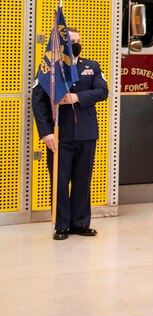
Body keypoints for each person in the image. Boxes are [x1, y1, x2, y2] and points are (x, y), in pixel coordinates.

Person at [31, 28, 108, 240]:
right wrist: (46, 133)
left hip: (86, 133)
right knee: (60, 180)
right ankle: (62, 225)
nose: (76, 44)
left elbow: (103, 91)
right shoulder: (49, 69)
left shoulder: (91, 67)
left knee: (83, 180)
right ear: (62, 44)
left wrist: (76, 97)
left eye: (78, 40)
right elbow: (38, 102)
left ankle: (80, 223)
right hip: (60, 134)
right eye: (72, 41)